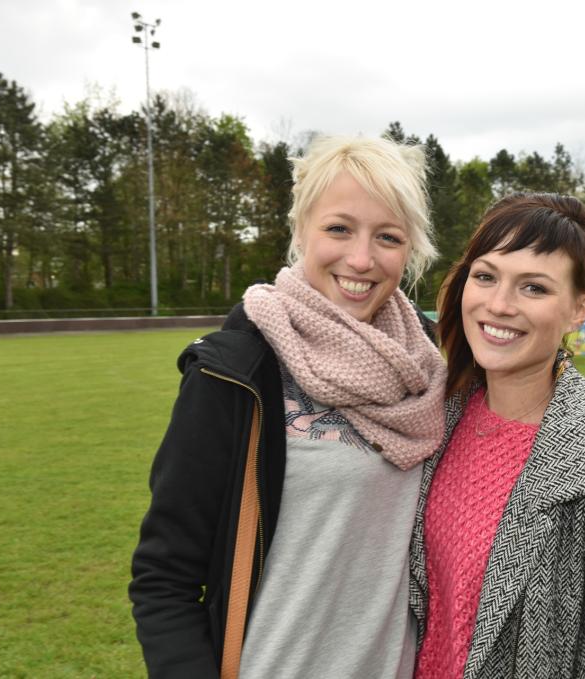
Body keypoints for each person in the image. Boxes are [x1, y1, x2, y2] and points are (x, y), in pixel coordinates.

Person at [130, 135, 447, 679]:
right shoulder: (233, 373)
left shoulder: (433, 364)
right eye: (339, 228)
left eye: (388, 237)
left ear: (410, 250)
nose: (362, 258)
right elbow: (164, 576)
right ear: (301, 231)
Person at [411, 193, 585, 678]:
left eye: (534, 288)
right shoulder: (437, 417)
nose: (498, 305)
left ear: (579, 309)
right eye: (486, 276)